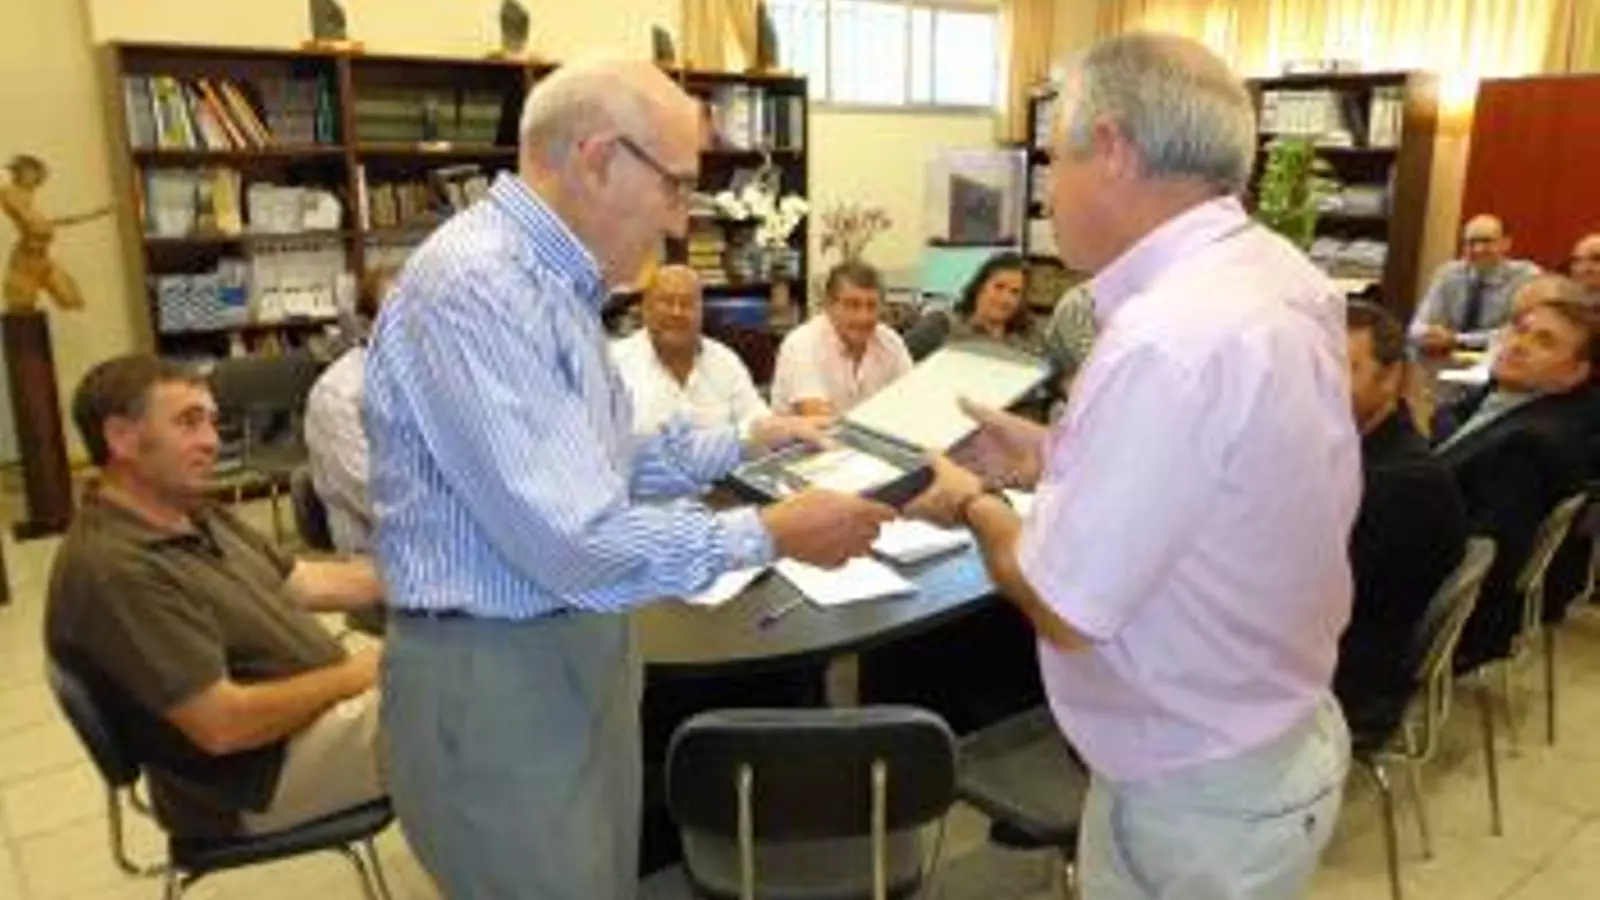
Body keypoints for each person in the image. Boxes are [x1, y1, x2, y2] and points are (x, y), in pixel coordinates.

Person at [362, 61, 895, 899]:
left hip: (567, 648)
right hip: (501, 672)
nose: (682, 220)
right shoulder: (477, 288)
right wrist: (767, 532)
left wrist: (747, 442)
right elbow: (572, 540)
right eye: (676, 186)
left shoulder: (555, 286)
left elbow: (600, 462)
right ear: (599, 158)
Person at [904, 33, 1359, 898]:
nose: (1048, 194)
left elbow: (1067, 607)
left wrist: (971, 502)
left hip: (1194, 791)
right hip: (1268, 737)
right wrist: (1046, 453)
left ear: (1110, 148)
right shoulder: (1281, 275)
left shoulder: (1164, 336)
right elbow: (1218, 478)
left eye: (1053, 161)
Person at [45, 354, 386, 838]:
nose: (212, 441)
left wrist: (428, 573)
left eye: (210, 421)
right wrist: (356, 675)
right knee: (471, 700)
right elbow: (223, 726)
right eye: (188, 422)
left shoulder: (186, 509)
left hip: (309, 726)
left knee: (463, 675)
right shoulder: (117, 570)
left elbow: (307, 581)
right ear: (121, 438)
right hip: (257, 780)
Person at [1433, 277, 1600, 671]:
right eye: (1519, 329)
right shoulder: (1516, 398)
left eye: (1545, 342)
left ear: (1574, 373)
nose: (1520, 344)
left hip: (1436, 609)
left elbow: (1482, 559)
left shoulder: (1527, 446)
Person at [1338, 301, 1468, 738]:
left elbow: (1307, 595)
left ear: (1391, 377)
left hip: (1350, 675)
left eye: (1342, 369)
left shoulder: (1401, 483)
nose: (1316, 386)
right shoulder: (1358, 447)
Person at [610, 263, 770, 436]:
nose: (677, 312)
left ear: (701, 312)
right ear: (645, 309)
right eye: (666, 302)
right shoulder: (613, 364)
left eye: (687, 303)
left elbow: (759, 425)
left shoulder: (724, 361)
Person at [305, 265, 398, 553]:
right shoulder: (338, 395)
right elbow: (380, 499)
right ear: (367, 325)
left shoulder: (439, 376)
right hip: (379, 554)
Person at [770, 259, 913, 415]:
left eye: (872, 306)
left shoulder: (890, 342)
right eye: (852, 305)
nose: (863, 317)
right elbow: (817, 418)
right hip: (817, 431)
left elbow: (912, 402)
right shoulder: (801, 344)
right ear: (829, 305)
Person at [1410, 214, 1540, 355]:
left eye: (1486, 241)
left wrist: (1458, 339)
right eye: (1471, 242)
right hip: (1446, 357)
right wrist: (1428, 333)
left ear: (1506, 243)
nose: (1478, 249)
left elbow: (1518, 331)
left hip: (1499, 358)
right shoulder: (1448, 274)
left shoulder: (1525, 276)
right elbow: (1418, 327)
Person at [1, 154, 111, 314]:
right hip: (24, 262)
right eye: (30, 172)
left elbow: (60, 218)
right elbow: (28, 217)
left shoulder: (30, 199)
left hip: (42, 260)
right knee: (21, 309)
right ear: (21, 172)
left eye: (36, 173)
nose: (34, 178)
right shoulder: (10, 193)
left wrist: (95, 213)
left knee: (71, 298)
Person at [903, 251, 1043, 360]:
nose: (1005, 298)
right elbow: (898, 362)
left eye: (1015, 292)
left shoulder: (1029, 339)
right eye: (999, 287)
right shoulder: (942, 325)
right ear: (980, 287)